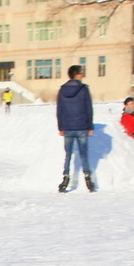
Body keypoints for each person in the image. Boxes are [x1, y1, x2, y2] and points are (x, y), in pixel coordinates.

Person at [55, 64, 95, 193]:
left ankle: (65, 178)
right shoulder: (83, 89)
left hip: (67, 127)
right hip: (82, 126)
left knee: (68, 155)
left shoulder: (62, 90)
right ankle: (88, 179)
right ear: (76, 74)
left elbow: (59, 110)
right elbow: (88, 109)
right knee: (83, 154)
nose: (82, 74)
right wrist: (90, 126)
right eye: (81, 72)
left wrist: (60, 126)